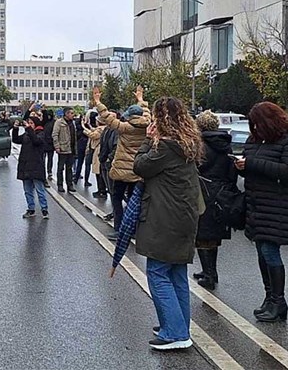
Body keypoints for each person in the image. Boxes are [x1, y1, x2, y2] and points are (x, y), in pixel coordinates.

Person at [129, 96, 204, 350]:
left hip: (165, 218)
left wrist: (148, 139)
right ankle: (178, 326)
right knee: (177, 273)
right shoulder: (188, 143)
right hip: (184, 216)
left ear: (161, 121)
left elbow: (140, 166)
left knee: (158, 273)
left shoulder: (165, 147)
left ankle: (175, 333)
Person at [235, 102, 288, 323]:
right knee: (262, 253)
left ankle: (279, 301)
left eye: (256, 123)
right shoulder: (254, 140)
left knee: (270, 252)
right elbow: (252, 169)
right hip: (256, 205)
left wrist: (252, 163)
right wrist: (241, 167)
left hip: (277, 207)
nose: (253, 128)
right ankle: (269, 298)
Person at [94, 86, 151, 240]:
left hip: (121, 170)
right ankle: (133, 229)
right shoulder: (147, 125)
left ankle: (119, 229)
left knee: (117, 199)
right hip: (137, 169)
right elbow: (146, 111)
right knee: (134, 201)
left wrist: (98, 101)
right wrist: (140, 99)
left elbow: (106, 117)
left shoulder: (124, 128)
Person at [193, 111, 238, 290]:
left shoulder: (200, 145)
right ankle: (210, 271)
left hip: (204, 192)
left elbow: (196, 167)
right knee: (213, 235)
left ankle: (209, 274)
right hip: (221, 191)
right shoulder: (225, 144)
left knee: (203, 234)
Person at [13, 117, 49, 219]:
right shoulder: (26, 134)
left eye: (31, 123)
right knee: (27, 190)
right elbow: (15, 140)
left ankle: (44, 209)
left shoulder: (40, 134)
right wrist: (15, 129)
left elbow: (36, 141)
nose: (29, 125)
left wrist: (29, 129)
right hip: (25, 165)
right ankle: (31, 209)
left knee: (40, 190)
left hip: (36, 166)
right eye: (28, 123)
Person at [52, 107, 78, 193]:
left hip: (71, 148)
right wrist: (57, 146)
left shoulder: (72, 123)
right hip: (63, 148)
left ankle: (69, 185)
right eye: (71, 113)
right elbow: (55, 134)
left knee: (69, 168)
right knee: (60, 168)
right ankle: (60, 185)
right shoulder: (59, 122)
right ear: (66, 114)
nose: (73, 115)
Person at [83, 116, 107, 198]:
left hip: (98, 150)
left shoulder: (101, 130)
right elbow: (94, 130)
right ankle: (101, 190)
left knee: (99, 172)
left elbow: (93, 135)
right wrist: (89, 126)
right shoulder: (103, 128)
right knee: (99, 171)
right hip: (100, 150)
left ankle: (101, 190)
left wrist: (84, 129)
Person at [41, 109, 56, 184]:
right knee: (43, 159)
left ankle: (49, 171)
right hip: (44, 143)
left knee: (50, 159)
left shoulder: (54, 122)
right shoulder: (45, 122)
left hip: (50, 144)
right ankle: (43, 171)